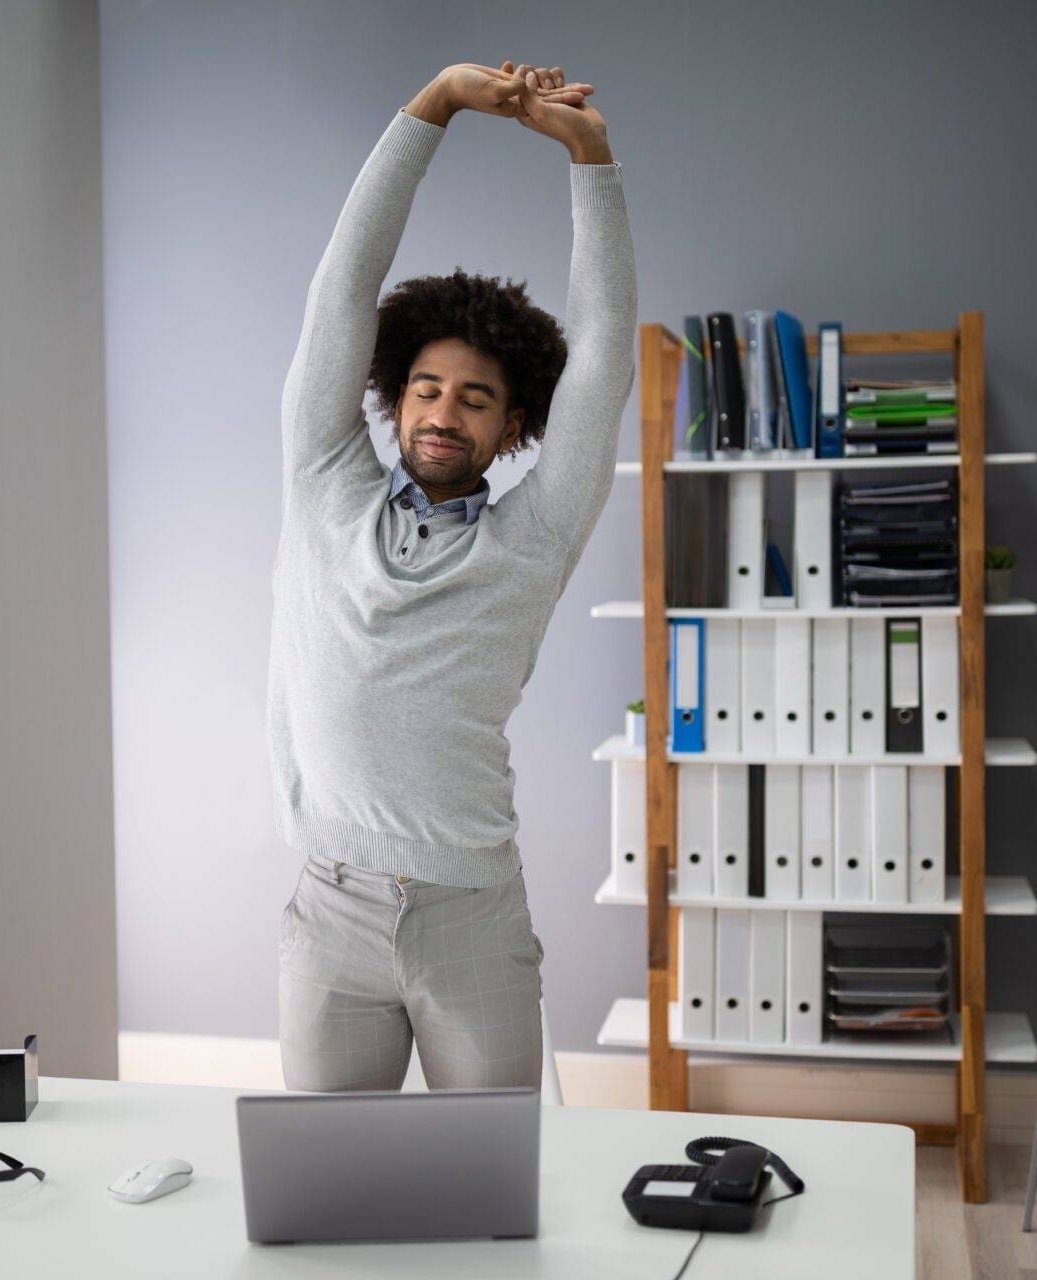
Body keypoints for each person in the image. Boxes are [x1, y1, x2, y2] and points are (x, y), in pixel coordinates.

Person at [267, 61, 637, 1091]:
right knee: (331, 1199)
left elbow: (604, 352)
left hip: (473, 916)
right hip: (329, 909)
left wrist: (589, 159)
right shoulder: (323, 482)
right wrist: (432, 106)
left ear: (513, 425)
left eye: (476, 398)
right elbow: (342, 284)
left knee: (496, 1199)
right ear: (392, 398)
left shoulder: (535, 535)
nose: (444, 409)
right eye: (426, 386)